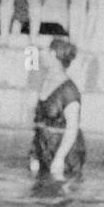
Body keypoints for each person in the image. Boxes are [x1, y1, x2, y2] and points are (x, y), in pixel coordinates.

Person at [30, 37, 86, 182]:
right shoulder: (46, 81)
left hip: (65, 154)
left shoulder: (69, 90)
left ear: (54, 55)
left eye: (46, 51)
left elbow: (72, 128)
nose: (42, 54)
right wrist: (34, 155)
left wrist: (60, 158)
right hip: (45, 150)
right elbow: (40, 124)